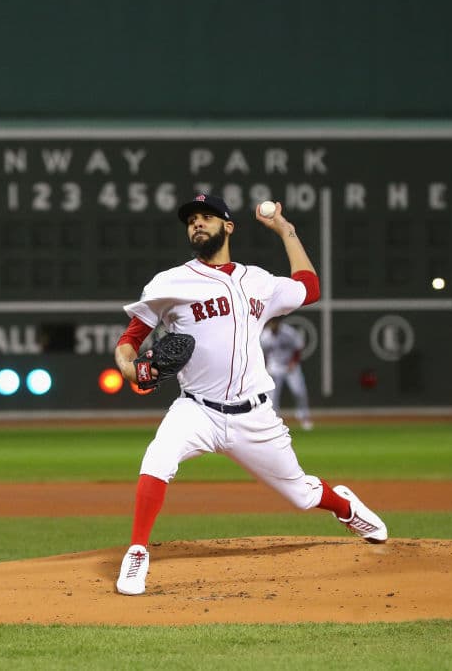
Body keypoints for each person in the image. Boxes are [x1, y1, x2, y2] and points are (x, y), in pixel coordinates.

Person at [112, 194, 386, 596]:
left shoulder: (257, 280)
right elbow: (128, 342)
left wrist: (286, 231)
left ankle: (346, 508)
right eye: (191, 220)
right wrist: (131, 369)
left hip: (254, 415)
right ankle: (137, 552)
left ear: (228, 227)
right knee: (156, 458)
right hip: (196, 410)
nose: (197, 224)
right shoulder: (169, 282)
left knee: (302, 494)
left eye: (206, 217)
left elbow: (309, 288)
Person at [260, 316, 314, 430]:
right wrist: (265, 367)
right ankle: (275, 423)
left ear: (279, 322)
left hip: (290, 367)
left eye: (275, 322)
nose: (273, 324)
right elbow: (261, 354)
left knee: (299, 392)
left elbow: (298, 347)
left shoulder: (288, 332)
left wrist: (293, 363)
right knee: (272, 398)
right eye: (271, 322)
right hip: (274, 368)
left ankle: (304, 417)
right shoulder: (264, 336)